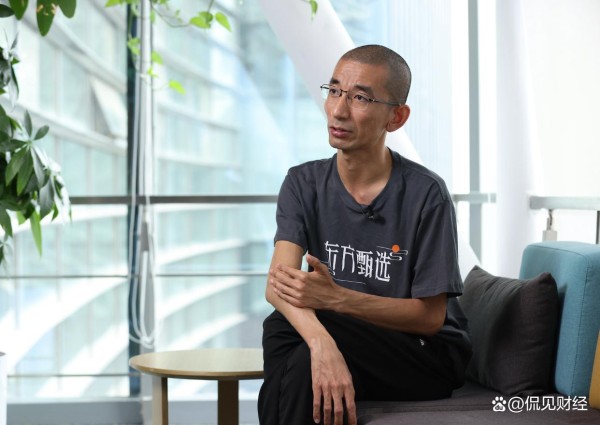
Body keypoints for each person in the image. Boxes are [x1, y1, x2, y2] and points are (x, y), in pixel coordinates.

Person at [257, 44, 472, 425]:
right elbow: (279, 286)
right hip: (346, 338)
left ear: (396, 117)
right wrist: (322, 344)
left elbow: (429, 318)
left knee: (282, 327)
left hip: (422, 353)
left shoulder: (426, 194)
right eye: (334, 91)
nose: (338, 110)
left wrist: (336, 298)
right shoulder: (303, 183)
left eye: (360, 98)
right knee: (292, 340)